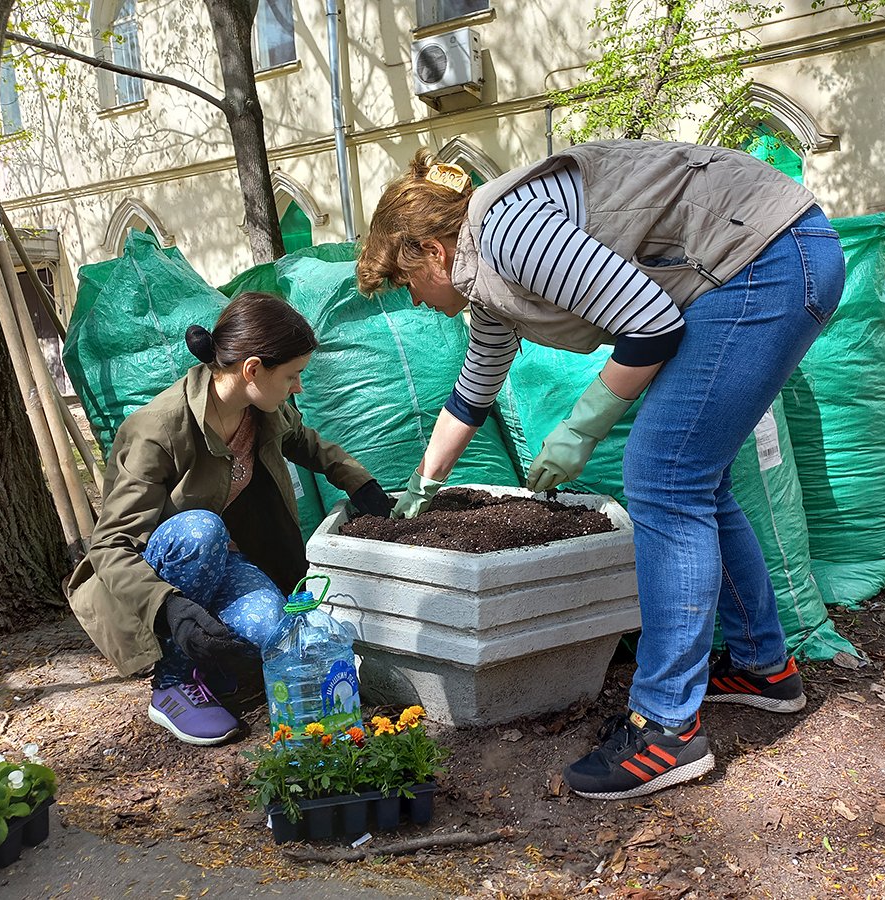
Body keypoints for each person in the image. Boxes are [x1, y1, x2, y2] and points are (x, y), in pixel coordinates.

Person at [356, 141, 845, 799]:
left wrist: (579, 430)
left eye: (406, 283)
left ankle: (666, 728)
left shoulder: (505, 231)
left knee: (664, 474)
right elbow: (476, 386)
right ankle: (763, 668)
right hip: (767, 256)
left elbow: (650, 328)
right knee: (692, 475)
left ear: (435, 253)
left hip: (768, 258)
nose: (412, 301)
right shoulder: (488, 286)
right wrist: (425, 482)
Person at [66, 292, 394, 746]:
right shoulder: (157, 430)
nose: (299, 386)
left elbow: (307, 442)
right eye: (293, 375)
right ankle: (172, 684)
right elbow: (111, 544)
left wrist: (358, 482)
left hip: (225, 562)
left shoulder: (261, 409)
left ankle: (208, 661)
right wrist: (170, 608)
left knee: (279, 634)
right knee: (201, 530)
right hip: (162, 571)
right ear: (253, 369)